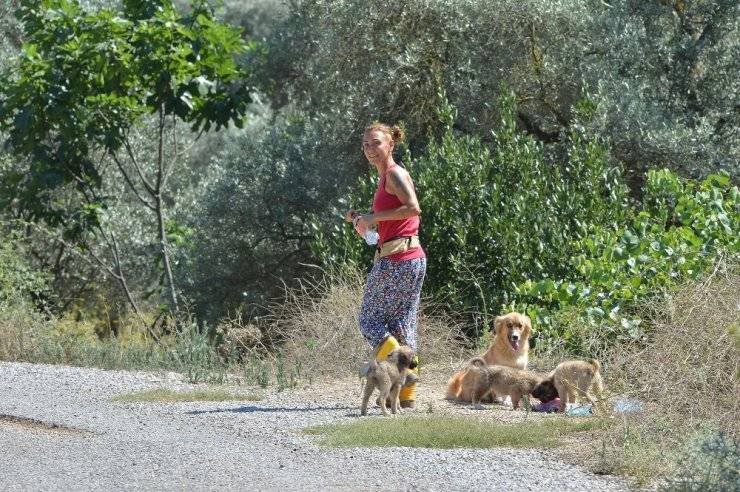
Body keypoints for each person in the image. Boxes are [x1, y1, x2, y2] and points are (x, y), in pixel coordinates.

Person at [345, 122, 426, 408]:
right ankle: (406, 394)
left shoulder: (393, 174)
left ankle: (396, 379)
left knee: (370, 321)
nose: (370, 149)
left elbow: (414, 207)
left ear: (391, 143)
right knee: (402, 325)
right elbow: (399, 222)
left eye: (376, 143)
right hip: (407, 255)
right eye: (366, 144)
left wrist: (373, 218)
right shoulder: (385, 178)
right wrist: (364, 224)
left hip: (398, 260)